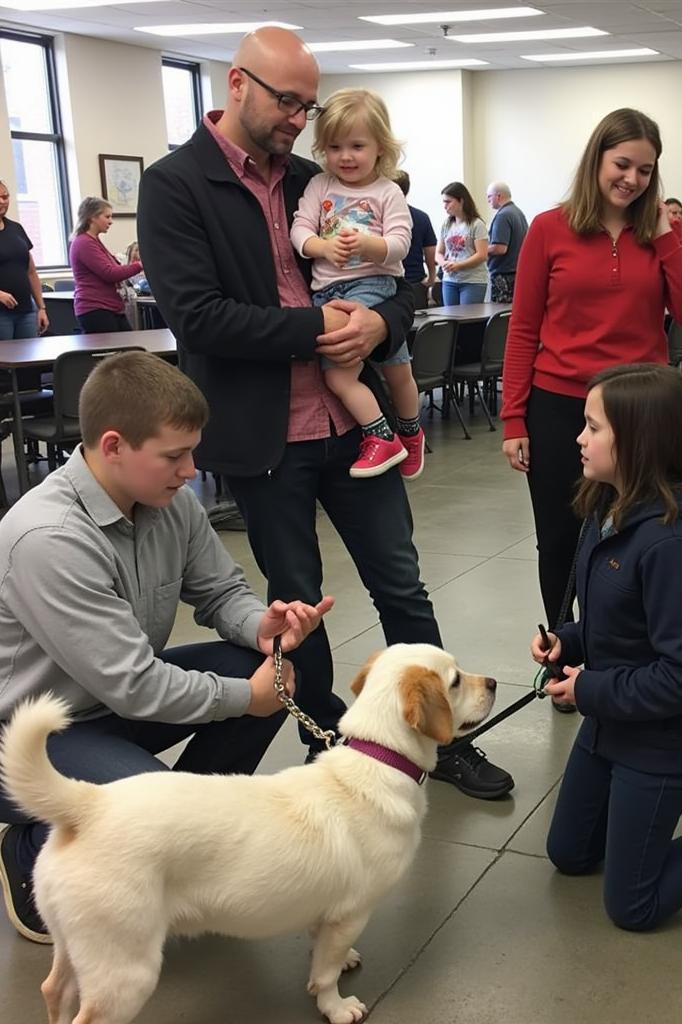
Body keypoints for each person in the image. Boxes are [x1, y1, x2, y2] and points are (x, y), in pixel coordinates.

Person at [137, 26, 512, 800]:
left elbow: (405, 277)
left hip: (353, 428)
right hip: (266, 436)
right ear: (238, 84)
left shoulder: (317, 176)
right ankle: (331, 754)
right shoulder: (176, 184)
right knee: (298, 608)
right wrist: (316, 328)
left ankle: (441, 744)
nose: (298, 120)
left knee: (401, 588)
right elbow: (200, 318)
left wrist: (382, 323)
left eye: (307, 106)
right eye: (288, 102)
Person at [0, 351, 333, 944]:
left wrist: (262, 626)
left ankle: (182, 840)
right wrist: (246, 698)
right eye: (174, 456)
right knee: (161, 805)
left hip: (110, 707)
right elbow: (135, 683)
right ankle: (31, 841)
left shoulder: (169, 501)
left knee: (269, 669)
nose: (190, 470)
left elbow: (220, 590)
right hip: (29, 738)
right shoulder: (47, 538)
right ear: (113, 446)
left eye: (192, 452)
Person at [532, 363, 682, 931]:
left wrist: (588, 687)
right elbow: (617, 622)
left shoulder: (673, 548)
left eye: (593, 427)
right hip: (620, 710)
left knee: (633, 907)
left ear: (638, 441)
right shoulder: (608, 509)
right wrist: (567, 641)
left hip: (671, 731)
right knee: (569, 853)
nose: (578, 439)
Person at [500, 107, 682, 677]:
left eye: (646, 171)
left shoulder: (661, 236)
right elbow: (523, 329)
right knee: (562, 537)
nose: (633, 180)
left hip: (641, 409)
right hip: (560, 405)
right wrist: (514, 419)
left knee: (644, 530)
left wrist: (670, 240)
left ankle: (629, 647)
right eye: (623, 164)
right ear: (597, 158)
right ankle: (563, 652)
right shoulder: (550, 228)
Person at [291, 87, 424, 481]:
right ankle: (402, 433)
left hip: (373, 284)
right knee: (395, 370)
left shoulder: (387, 193)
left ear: (380, 148)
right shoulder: (320, 186)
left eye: (357, 146)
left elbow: (400, 245)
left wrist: (368, 245)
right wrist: (322, 246)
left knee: (342, 375)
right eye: (334, 147)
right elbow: (300, 230)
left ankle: (390, 434)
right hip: (328, 290)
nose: (345, 156)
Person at [69, 197, 143, 333]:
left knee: (131, 348)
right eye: (107, 216)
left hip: (109, 307)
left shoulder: (93, 241)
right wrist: (140, 265)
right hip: (96, 309)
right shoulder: (84, 243)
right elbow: (110, 274)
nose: (111, 221)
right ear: (92, 217)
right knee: (117, 351)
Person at [0, 179, 48, 339]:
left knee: (29, 359)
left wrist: (41, 308)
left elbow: (31, 272)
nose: (2, 201)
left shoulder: (16, 228)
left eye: (5, 197)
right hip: (1, 314)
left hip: (26, 311)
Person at [437, 182, 489, 305]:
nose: (445, 206)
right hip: (450, 280)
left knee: (467, 321)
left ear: (461, 201)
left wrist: (459, 265)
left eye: (448, 202)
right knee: (451, 319)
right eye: (444, 202)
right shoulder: (447, 224)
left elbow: (482, 255)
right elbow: (439, 252)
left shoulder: (476, 224)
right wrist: (444, 263)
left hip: (472, 281)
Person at [393, 169, 437, 307]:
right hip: (416, 282)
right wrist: (431, 276)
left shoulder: (381, 217)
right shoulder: (421, 216)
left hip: (388, 281)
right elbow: (430, 251)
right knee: (419, 326)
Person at [485, 181, 529, 303]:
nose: (487, 200)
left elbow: (500, 248)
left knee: (500, 314)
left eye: (489, 196)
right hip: (517, 272)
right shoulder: (518, 212)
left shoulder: (502, 216)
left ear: (498, 196)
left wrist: (479, 250)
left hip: (503, 274)